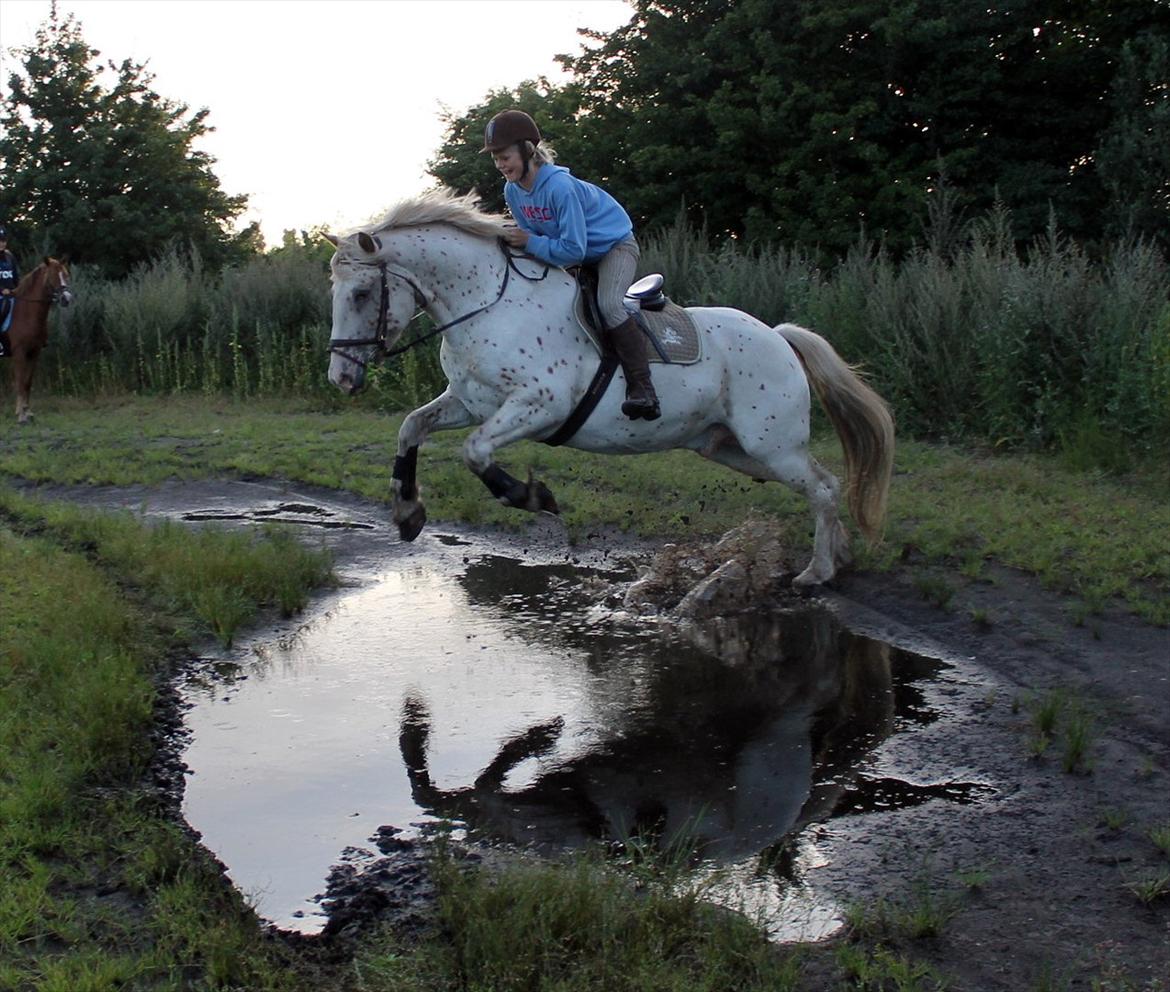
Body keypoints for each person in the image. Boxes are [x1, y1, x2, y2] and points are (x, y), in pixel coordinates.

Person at [482, 109, 660, 421]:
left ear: (526, 150)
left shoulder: (559, 188)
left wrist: (527, 242)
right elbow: (535, 238)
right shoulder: (512, 191)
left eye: (505, 156)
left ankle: (643, 390)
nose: (500, 165)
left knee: (608, 306)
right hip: (574, 254)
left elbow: (572, 250)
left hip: (613, 248)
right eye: (495, 159)